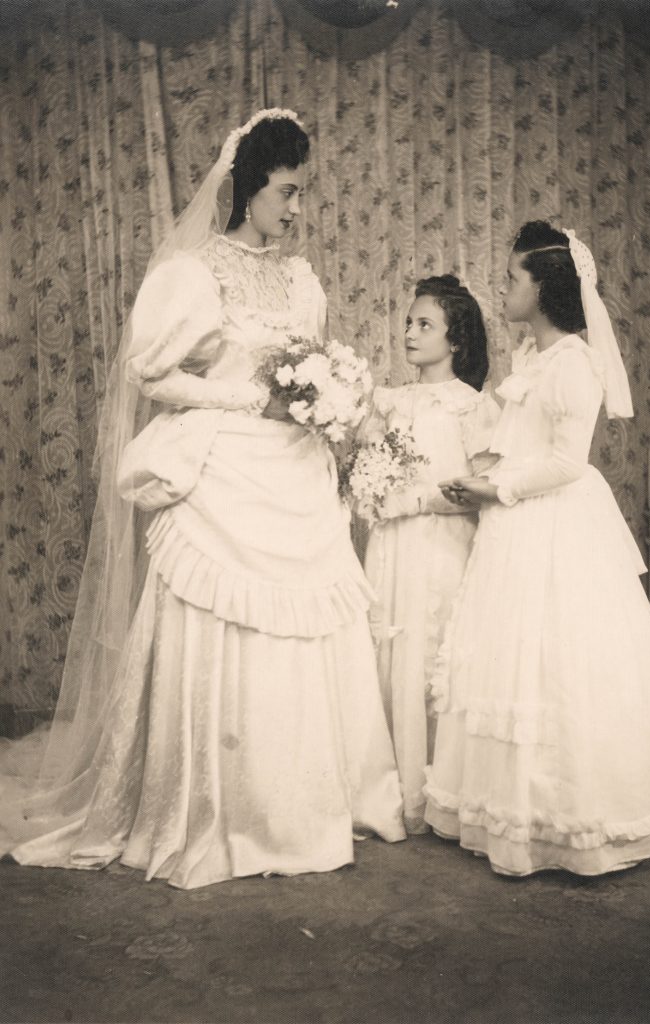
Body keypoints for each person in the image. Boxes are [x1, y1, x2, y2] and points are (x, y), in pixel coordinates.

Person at [0, 109, 405, 889]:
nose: (297, 208)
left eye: (303, 192)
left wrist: (327, 400)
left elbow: (311, 364)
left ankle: (312, 805)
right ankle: (231, 811)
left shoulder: (302, 279)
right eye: (287, 191)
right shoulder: (197, 272)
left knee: (311, 627)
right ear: (249, 187)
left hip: (296, 481)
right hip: (225, 478)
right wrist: (248, 400)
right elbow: (151, 374)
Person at [425, 221, 650, 876]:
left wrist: (496, 487)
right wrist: (481, 466)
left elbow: (567, 464)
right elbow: (520, 438)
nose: (503, 288)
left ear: (544, 289)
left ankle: (570, 820)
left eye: (512, 278)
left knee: (562, 662)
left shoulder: (575, 363)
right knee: (510, 663)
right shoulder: (532, 356)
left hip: (556, 524)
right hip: (515, 526)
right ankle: (511, 809)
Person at [361, 275, 498, 834]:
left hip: (441, 550)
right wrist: (370, 492)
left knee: (432, 653)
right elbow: (368, 470)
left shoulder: (474, 407)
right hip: (390, 548)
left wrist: (419, 499)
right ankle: (388, 782)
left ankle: (439, 791)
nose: (410, 334)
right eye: (408, 323)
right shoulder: (388, 401)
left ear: (456, 339)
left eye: (425, 325)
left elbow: (483, 490)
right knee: (386, 649)